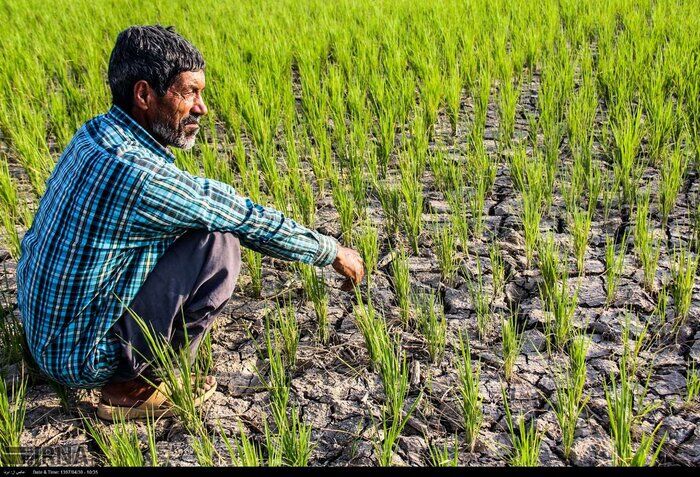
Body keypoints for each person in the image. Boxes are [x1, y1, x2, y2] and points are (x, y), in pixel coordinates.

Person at [15, 25, 364, 421]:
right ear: (144, 94)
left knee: (182, 230)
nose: (202, 107)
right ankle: (130, 387)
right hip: (80, 357)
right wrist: (331, 251)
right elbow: (243, 217)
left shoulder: (95, 133)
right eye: (189, 93)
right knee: (219, 244)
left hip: (42, 333)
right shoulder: (140, 174)